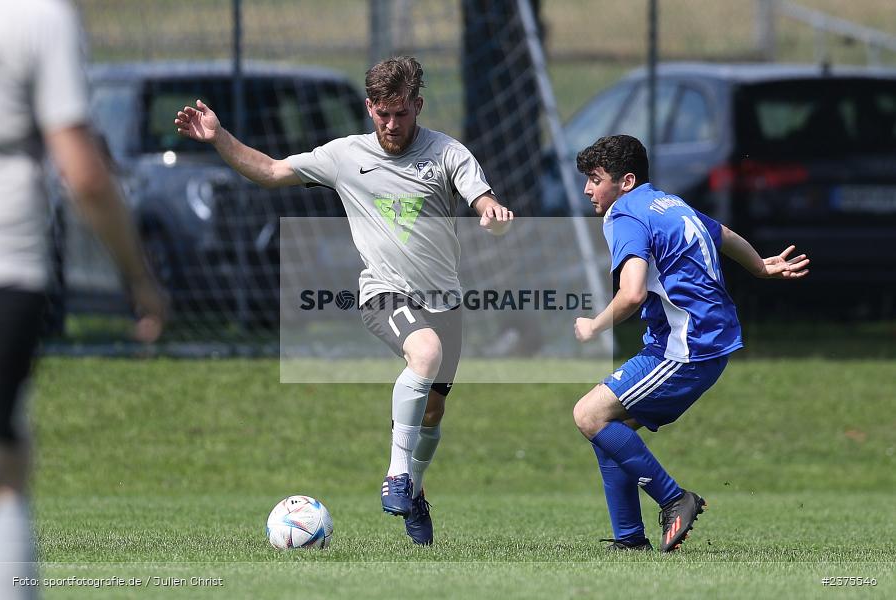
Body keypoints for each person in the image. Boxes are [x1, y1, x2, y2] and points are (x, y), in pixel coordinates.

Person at [175, 56, 512, 545]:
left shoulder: (447, 154)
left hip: (445, 300)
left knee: (433, 413)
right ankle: (396, 476)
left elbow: (482, 199)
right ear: (369, 107)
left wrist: (493, 214)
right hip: (383, 292)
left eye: (401, 113)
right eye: (381, 113)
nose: (391, 124)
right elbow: (270, 170)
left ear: (417, 105)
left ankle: (414, 490)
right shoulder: (344, 154)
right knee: (425, 354)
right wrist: (219, 136)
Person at [0, 0, 166, 594]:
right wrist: (138, 277)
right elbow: (85, 173)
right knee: (5, 466)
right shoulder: (40, 17)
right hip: (7, 265)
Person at [571, 135, 808, 552]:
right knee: (611, 430)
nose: (588, 190)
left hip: (686, 348)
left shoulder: (624, 214)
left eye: (595, 179)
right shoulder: (668, 203)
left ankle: (674, 499)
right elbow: (725, 234)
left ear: (625, 181)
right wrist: (759, 268)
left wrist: (594, 327)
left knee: (588, 415)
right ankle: (629, 539)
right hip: (703, 341)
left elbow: (632, 294)